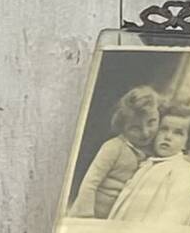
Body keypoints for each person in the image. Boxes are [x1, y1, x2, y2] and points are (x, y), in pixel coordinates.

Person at [106, 112, 190, 233]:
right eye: (163, 129)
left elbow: (176, 214)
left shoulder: (182, 169)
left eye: (178, 133)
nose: (168, 137)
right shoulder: (147, 164)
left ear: (187, 142)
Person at [70, 84, 165, 225]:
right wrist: (86, 217)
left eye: (151, 122)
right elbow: (90, 183)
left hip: (117, 221)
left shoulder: (153, 150)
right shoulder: (114, 147)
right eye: (135, 128)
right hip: (90, 218)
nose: (145, 133)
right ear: (122, 127)